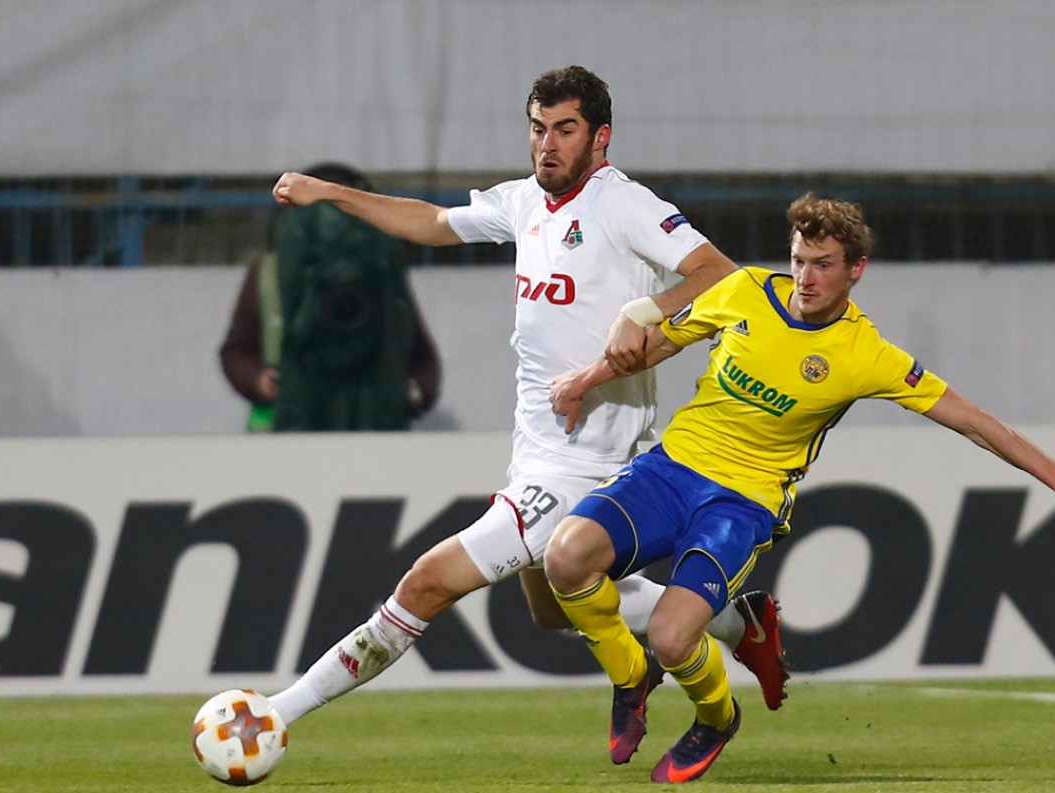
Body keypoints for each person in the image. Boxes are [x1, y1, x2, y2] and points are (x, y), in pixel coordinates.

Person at [543, 192, 1055, 783]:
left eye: (823, 265)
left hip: (741, 503)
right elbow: (656, 346)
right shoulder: (744, 291)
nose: (806, 278)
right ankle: (631, 676)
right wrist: (586, 380)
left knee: (674, 636)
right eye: (799, 260)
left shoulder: (865, 354)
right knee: (565, 558)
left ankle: (716, 718)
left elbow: (973, 422)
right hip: (671, 470)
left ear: (856, 269)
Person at [262, 66, 791, 734]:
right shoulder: (523, 202)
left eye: (565, 130)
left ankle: (274, 714)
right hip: (536, 452)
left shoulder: (623, 204)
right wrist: (331, 194)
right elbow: (432, 222)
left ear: (600, 137)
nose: (548, 144)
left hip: (591, 464)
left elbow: (721, 275)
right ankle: (737, 621)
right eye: (539, 129)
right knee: (548, 609)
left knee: (426, 582)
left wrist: (645, 312)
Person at [219, 162, 441, 432]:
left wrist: (412, 393)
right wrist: (258, 379)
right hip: (286, 431)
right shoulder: (270, 274)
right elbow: (236, 349)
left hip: (374, 430)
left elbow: (420, 354)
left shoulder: (381, 271)